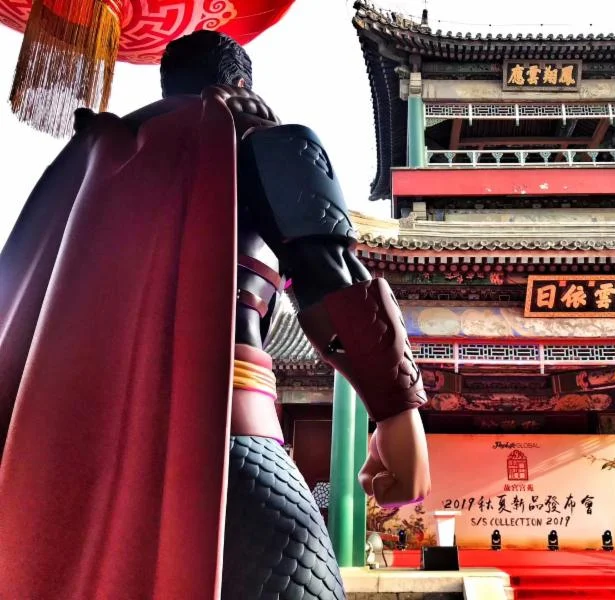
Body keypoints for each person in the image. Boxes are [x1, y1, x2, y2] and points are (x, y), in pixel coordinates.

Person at [0, 31, 430, 599]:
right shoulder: (257, 135)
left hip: (56, 450)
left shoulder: (89, 155)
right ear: (241, 82)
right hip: (228, 433)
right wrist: (397, 410)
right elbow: (327, 270)